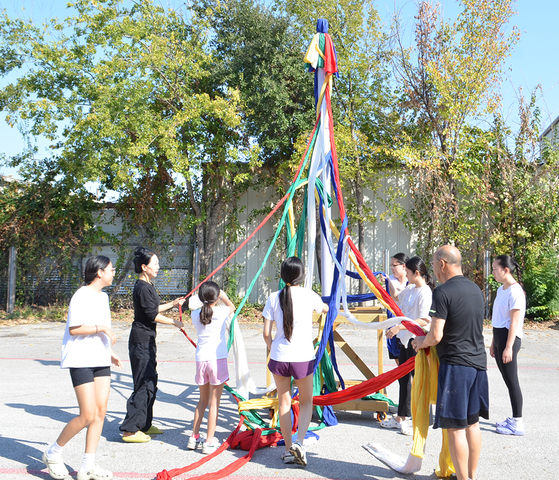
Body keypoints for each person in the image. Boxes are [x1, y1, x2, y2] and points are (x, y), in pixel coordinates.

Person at [42, 256, 122, 480]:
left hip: (100, 358)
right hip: (81, 359)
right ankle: (53, 452)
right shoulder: (81, 295)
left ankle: (88, 465)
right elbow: (75, 329)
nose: (113, 272)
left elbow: (97, 334)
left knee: (100, 412)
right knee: (87, 414)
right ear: (99, 272)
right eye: (110, 269)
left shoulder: (104, 297)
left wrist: (110, 353)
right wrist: (103, 328)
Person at [413, 246, 488, 480]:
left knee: (455, 427)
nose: (433, 269)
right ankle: (471, 476)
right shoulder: (476, 289)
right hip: (478, 364)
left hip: (456, 365)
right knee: (472, 424)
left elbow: (436, 335)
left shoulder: (443, 292)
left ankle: (463, 478)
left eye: (433, 264)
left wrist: (420, 342)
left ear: (442, 263)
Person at [262, 257, 329, 467]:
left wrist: (275, 349)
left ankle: (288, 449)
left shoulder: (273, 297)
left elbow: (266, 334)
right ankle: (299, 443)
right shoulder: (309, 295)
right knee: (307, 401)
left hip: (279, 357)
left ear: (282, 276)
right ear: (302, 275)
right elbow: (324, 309)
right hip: (302, 357)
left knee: (284, 402)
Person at [120, 247, 185, 443]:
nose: (158, 267)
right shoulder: (142, 287)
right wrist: (175, 322)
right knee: (143, 383)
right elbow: (152, 315)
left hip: (147, 339)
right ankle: (130, 430)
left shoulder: (147, 285)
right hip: (140, 340)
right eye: (155, 264)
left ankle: (144, 424)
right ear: (144, 267)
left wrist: (173, 304)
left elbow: (153, 308)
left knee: (151, 381)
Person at [381, 256, 435, 434]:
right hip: (404, 341)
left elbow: (423, 319)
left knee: (418, 380)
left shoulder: (425, 292)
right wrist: (388, 281)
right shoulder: (410, 288)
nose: (406, 274)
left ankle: (421, 419)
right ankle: (401, 417)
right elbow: (396, 297)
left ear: (416, 273)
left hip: (416, 341)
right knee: (403, 380)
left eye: (409, 272)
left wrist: (399, 326)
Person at [187, 281, 235, 454]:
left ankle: (194, 436)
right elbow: (232, 307)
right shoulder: (221, 312)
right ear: (216, 297)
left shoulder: (194, 314)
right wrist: (222, 295)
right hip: (217, 359)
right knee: (214, 403)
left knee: (202, 401)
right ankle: (209, 441)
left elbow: (201, 309)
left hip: (201, 360)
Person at [490, 255, 526, 436]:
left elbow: (514, 322)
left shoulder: (515, 291)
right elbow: (498, 318)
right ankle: (514, 417)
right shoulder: (501, 289)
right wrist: (493, 342)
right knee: (508, 380)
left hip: (509, 339)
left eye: (496, 269)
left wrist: (508, 347)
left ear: (506, 270)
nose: (493, 272)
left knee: (512, 381)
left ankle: (518, 422)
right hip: (500, 337)